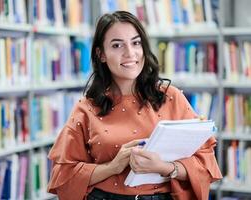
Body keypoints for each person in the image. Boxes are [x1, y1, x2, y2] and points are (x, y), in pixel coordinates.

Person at [47, 10, 222, 200]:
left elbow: (205, 163)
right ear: (101, 54)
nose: (130, 53)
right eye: (117, 45)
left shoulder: (170, 96)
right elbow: (64, 176)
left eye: (136, 43)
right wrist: (112, 167)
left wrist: (164, 168)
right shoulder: (86, 108)